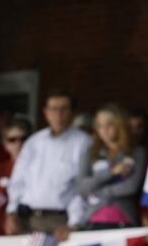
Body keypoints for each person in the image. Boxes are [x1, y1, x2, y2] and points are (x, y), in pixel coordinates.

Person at [6, 90, 91, 235]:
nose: (58, 114)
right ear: (46, 112)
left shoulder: (83, 142)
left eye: (64, 109)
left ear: (73, 112)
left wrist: (75, 223)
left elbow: (82, 189)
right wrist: (12, 211)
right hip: (28, 219)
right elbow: (18, 181)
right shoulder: (34, 142)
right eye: (53, 109)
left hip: (61, 220)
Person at [73, 104, 146, 229]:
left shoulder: (136, 152)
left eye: (109, 125)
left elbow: (131, 186)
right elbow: (81, 187)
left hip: (124, 219)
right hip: (93, 219)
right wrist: (111, 172)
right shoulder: (90, 153)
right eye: (100, 126)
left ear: (120, 125)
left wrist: (100, 192)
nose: (104, 130)